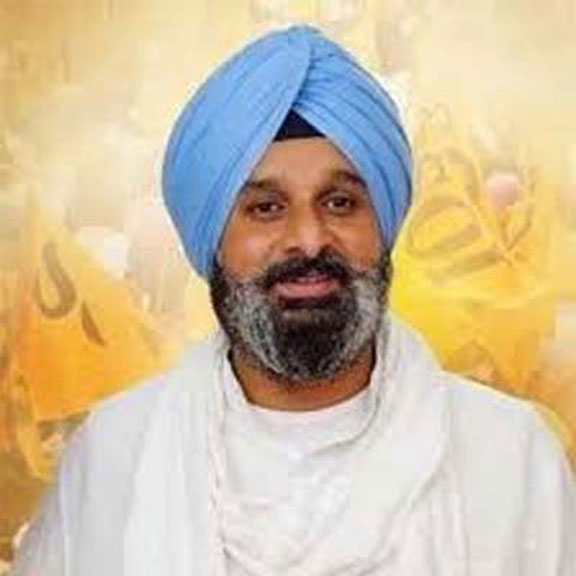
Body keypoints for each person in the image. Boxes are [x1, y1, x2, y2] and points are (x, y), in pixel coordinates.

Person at [12, 26, 575, 576]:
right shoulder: (114, 459)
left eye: (339, 202)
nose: (308, 239)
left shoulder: (509, 457)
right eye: (266, 208)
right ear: (212, 237)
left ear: (382, 224)